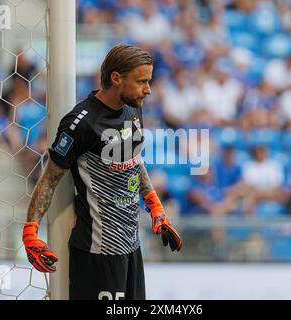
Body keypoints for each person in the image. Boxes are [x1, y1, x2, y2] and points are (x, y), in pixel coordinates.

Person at [21, 44, 182, 300]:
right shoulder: (80, 123)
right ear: (116, 78)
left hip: (131, 247)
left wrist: (155, 207)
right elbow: (50, 180)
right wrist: (30, 232)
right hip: (98, 251)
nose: (148, 89)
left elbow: (134, 159)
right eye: (142, 81)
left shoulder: (133, 108)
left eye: (148, 81)